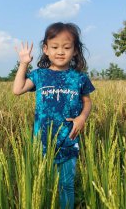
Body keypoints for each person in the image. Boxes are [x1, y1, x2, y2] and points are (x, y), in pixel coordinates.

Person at [13, 22, 95, 209]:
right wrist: (24, 63)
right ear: (46, 49)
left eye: (66, 47)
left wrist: (82, 117)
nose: (60, 52)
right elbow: (17, 90)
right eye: (55, 47)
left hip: (69, 138)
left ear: (75, 51)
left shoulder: (79, 78)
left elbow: (87, 101)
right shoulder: (39, 75)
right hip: (41, 139)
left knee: (66, 184)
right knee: (44, 182)